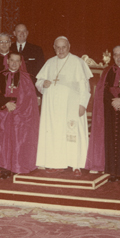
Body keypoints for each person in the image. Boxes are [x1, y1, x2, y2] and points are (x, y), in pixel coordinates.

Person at [35, 36, 93, 172]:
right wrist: (43, 83)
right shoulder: (50, 62)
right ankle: (55, 162)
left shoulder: (77, 62)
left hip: (70, 106)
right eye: (58, 47)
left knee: (72, 133)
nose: (61, 50)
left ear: (69, 47)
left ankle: (75, 164)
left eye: (64, 47)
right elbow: (38, 82)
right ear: (54, 48)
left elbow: (85, 86)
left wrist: (83, 104)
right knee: (54, 133)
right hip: (52, 108)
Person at [0, 52, 40, 178]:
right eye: (12, 60)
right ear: (7, 61)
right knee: (4, 139)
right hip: (4, 111)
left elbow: (29, 97)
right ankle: (5, 167)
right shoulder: (0, 75)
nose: (14, 63)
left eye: (17, 61)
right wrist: (6, 103)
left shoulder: (26, 77)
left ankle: (17, 165)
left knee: (18, 140)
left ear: (21, 63)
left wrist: (18, 107)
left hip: (20, 113)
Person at [85, 46, 120, 181]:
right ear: (113, 56)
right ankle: (112, 172)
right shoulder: (107, 71)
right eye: (116, 54)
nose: (119, 57)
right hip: (110, 111)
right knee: (110, 141)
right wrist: (113, 102)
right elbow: (102, 91)